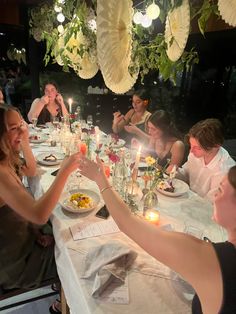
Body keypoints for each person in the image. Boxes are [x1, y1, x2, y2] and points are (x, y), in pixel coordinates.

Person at [78, 155, 236, 314]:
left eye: (221, 189)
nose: (214, 194)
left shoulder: (213, 262)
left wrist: (100, 178)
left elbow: (127, 222)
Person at [0, 106, 80, 312]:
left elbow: (32, 170)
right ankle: (63, 304)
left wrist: (23, 139)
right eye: (13, 128)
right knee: (76, 256)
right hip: (15, 263)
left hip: (23, 240)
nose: (22, 131)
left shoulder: (6, 159)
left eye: (21, 126)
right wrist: (64, 171)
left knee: (64, 234)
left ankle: (61, 289)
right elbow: (39, 215)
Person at [177, 118, 235, 202]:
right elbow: (186, 174)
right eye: (191, 145)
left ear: (216, 146)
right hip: (188, 200)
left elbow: (209, 204)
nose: (191, 151)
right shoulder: (195, 153)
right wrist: (176, 172)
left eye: (198, 148)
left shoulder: (225, 172)